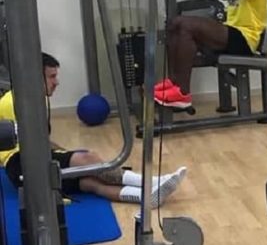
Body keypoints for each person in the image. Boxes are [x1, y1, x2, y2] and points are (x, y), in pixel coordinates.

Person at [0, 53, 186, 207]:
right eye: (51, 77)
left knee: (89, 182)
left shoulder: (36, 99)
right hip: (20, 165)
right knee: (87, 159)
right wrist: (73, 159)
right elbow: (31, 145)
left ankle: (146, 197)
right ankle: (152, 181)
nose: (57, 82)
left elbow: (41, 140)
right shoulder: (15, 103)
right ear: (34, 77)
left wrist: (64, 153)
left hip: (27, 163)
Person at [154, 0, 267, 108]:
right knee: (174, 24)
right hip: (231, 33)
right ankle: (174, 83)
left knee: (185, 24)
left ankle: (182, 93)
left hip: (245, 40)